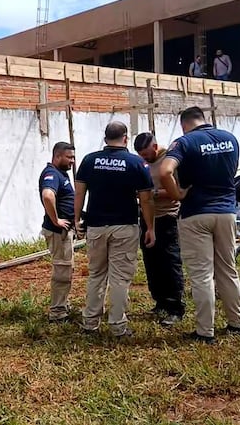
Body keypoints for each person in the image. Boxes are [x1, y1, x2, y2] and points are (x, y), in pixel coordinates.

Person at [159, 106, 240, 344]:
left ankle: (205, 331)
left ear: (183, 124)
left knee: (202, 274)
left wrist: (177, 194)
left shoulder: (185, 142)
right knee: (228, 269)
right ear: (204, 119)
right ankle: (236, 323)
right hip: (227, 213)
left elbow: (166, 170)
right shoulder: (230, 139)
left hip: (196, 213)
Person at [74, 121, 155, 337]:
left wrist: (76, 219)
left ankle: (90, 322)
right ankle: (118, 325)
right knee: (120, 278)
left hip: (96, 227)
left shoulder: (89, 160)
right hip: (124, 226)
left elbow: (79, 193)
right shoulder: (136, 162)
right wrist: (150, 227)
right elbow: (146, 200)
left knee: (96, 274)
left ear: (105, 138)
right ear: (126, 138)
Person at [134, 132, 185, 326]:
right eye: (140, 155)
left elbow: (178, 191)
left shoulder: (169, 160)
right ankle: (160, 301)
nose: (144, 158)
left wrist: (151, 194)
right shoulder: (142, 162)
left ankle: (175, 307)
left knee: (169, 262)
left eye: (146, 154)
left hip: (167, 217)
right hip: (147, 219)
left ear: (155, 147)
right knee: (151, 261)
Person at [38, 142, 76, 323]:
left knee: (66, 269)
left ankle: (62, 305)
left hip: (63, 232)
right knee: (62, 271)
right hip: (57, 233)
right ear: (57, 156)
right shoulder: (52, 174)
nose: (72, 161)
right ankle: (58, 313)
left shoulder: (60, 174)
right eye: (69, 157)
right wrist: (56, 220)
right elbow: (47, 195)